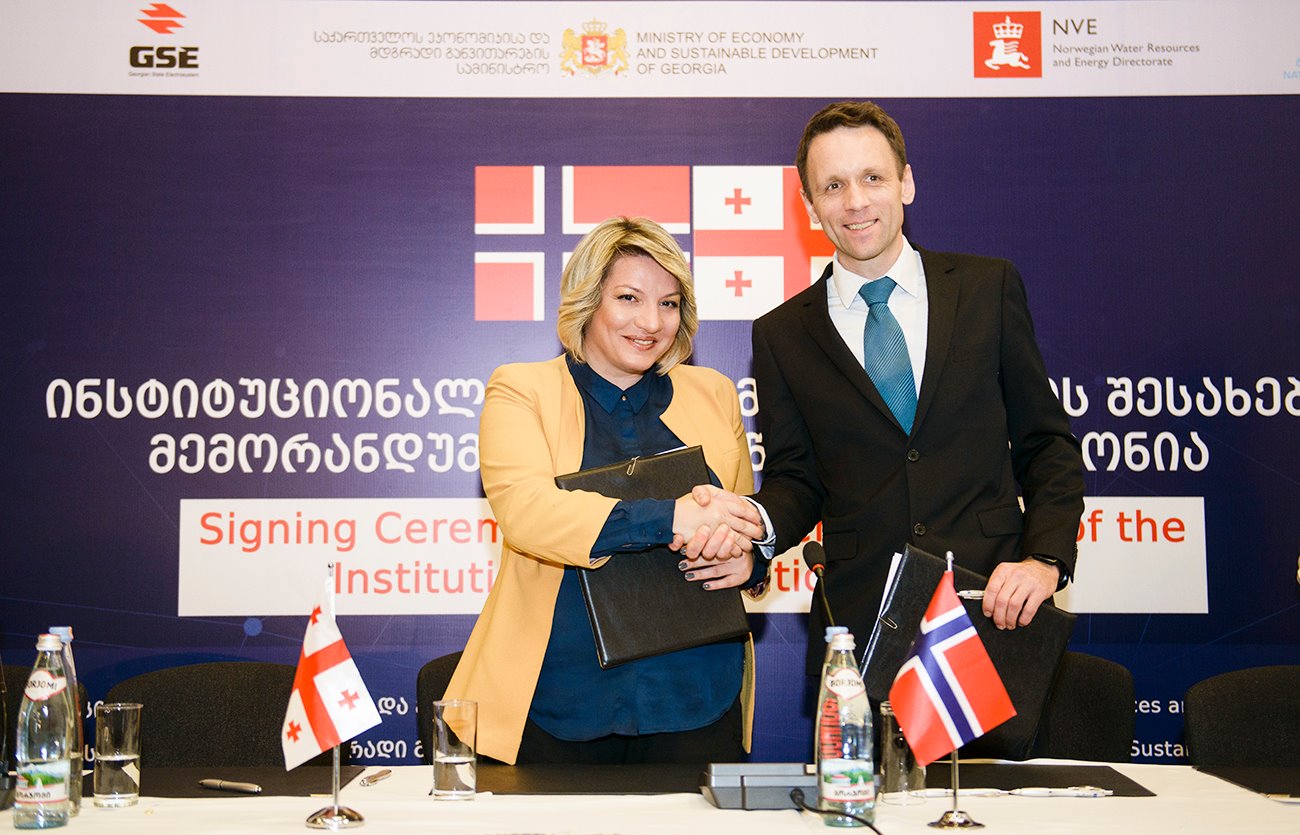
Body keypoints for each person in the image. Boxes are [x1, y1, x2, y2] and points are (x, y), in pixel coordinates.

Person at [714, 100, 1085, 675]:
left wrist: (1044, 560)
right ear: (809, 205)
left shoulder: (987, 289)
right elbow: (798, 480)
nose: (855, 202)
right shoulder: (781, 334)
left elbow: (1046, 445)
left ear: (906, 183)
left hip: (994, 609)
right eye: (833, 185)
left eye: (872, 178)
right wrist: (754, 525)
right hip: (859, 628)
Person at [445, 216, 765, 765]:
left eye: (668, 303)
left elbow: (744, 519)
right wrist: (672, 518)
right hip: (561, 700)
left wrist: (750, 561)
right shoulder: (522, 389)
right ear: (588, 300)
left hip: (700, 696)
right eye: (628, 298)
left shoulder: (714, 393)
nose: (651, 322)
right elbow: (527, 513)